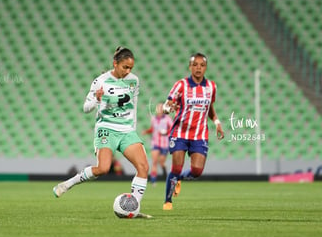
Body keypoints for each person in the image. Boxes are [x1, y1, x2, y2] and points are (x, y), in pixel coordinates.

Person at [53, 47, 150, 209]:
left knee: (143, 167)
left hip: (126, 130)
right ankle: (68, 184)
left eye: (131, 68)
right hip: (106, 128)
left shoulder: (134, 80)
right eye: (125, 67)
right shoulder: (100, 81)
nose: (128, 71)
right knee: (103, 168)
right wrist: (97, 100)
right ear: (115, 63)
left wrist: (132, 128)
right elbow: (86, 108)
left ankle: (132, 207)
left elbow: (134, 106)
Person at [162, 53, 224, 210]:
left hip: (199, 134)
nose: (198, 68)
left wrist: (216, 122)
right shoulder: (181, 85)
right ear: (190, 66)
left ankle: (179, 179)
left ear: (206, 67)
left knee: (197, 171)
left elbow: (210, 107)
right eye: (195, 64)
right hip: (180, 133)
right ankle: (168, 201)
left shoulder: (211, 87)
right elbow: (167, 104)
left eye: (202, 65)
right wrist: (168, 108)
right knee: (176, 167)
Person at [142, 103, 173, 185]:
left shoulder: (167, 119)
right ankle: (153, 181)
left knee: (161, 162)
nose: (158, 109)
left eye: (160, 108)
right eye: (157, 107)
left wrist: (166, 132)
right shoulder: (153, 119)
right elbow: (153, 129)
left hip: (164, 144)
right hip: (155, 143)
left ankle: (165, 172)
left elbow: (172, 128)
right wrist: (146, 131)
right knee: (154, 162)